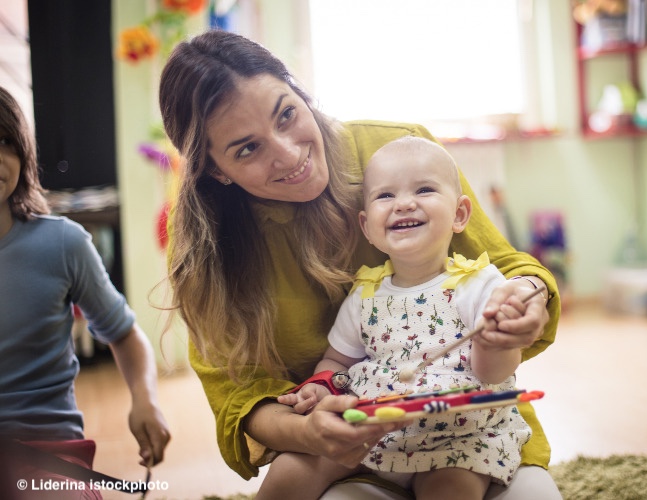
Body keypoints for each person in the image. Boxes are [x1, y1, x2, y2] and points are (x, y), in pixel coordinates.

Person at [158, 29, 562, 499]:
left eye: (287, 114)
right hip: (347, 453)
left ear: (299, 92)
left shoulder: (400, 151)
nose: (289, 155)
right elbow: (240, 396)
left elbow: (510, 271)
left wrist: (525, 302)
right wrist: (309, 428)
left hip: (470, 436)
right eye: (247, 149)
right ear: (214, 170)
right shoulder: (207, 254)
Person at [264, 136, 535, 499]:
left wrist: (492, 340)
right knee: (290, 470)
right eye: (385, 196)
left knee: (451, 490)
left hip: (459, 435)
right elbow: (337, 360)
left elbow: (495, 372)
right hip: (374, 429)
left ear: (459, 214)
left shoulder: (481, 285)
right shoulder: (365, 293)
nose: (404, 204)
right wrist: (322, 385)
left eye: (424, 190)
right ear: (366, 227)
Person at [0, 85, 171, 498]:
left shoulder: (62, 244)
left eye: (4, 141)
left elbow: (125, 334)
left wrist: (144, 399)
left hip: (46, 457)